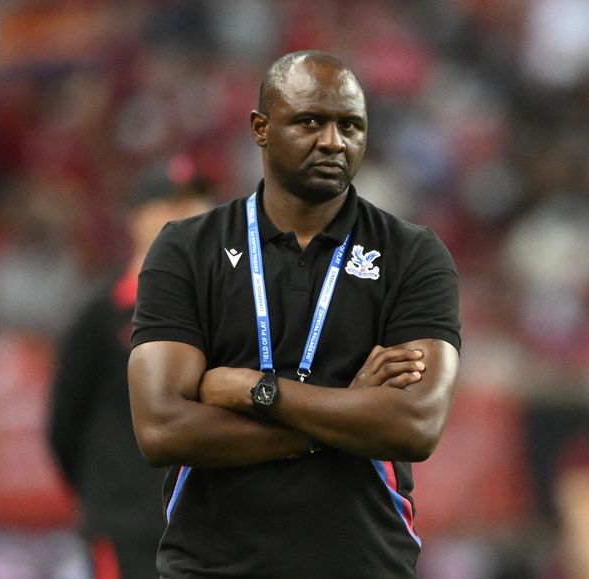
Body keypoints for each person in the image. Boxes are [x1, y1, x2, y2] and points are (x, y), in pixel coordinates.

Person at [129, 50, 461, 578]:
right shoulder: (187, 248)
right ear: (261, 128)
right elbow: (163, 429)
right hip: (212, 567)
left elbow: (415, 424)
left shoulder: (412, 255)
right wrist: (347, 411)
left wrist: (257, 392)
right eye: (311, 121)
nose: (333, 141)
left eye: (351, 125)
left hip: (363, 564)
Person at [48, 164, 212, 579]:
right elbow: (64, 424)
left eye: (196, 201)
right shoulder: (101, 315)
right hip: (127, 524)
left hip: (207, 524)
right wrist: (106, 495)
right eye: (170, 203)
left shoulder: (228, 312)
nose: (187, 213)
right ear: (136, 218)